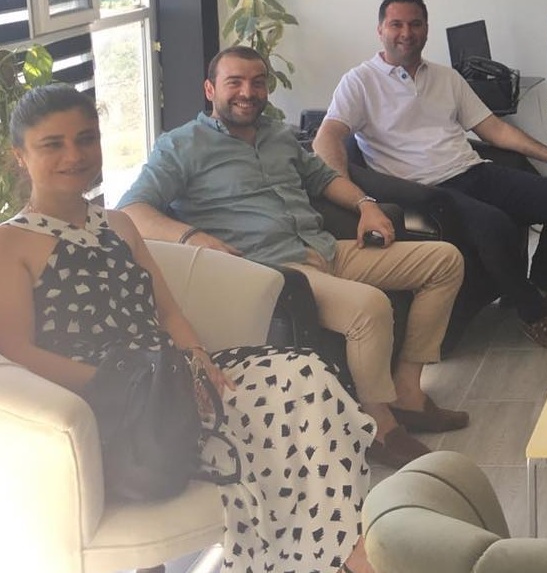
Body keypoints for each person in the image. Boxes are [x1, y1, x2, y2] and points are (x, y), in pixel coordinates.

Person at [0, 85, 381, 572]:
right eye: (52, 144)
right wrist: (123, 382)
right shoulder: (12, 243)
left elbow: (168, 311)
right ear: (20, 156)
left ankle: (346, 553)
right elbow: (17, 351)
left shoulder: (118, 224)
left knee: (304, 374)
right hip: (107, 399)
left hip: (170, 373)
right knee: (271, 415)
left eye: (86, 138)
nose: (74, 155)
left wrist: (198, 362)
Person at [120, 46, 466, 470]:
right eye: (234, 82)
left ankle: (408, 391)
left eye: (257, 82)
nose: (247, 92)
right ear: (210, 89)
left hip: (323, 248)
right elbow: (131, 210)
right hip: (274, 268)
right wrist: (191, 237)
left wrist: (367, 206)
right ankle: (379, 428)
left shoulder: (278, 134)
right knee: (369, 307)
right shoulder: (181, 146)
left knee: (444, 261)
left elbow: (323, 178)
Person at [312, 0, 547, 352]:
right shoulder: (360, 81)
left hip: (472, 171)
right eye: (396, 24)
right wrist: (350, 195)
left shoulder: (446, 77)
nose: (406, 33)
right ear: (380, 30)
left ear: (426, 29)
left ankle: (544, 287)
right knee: (495, 225)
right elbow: (328, 137)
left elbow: (493, 128)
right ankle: (533, 313)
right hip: (425, 191)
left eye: (415, 24)